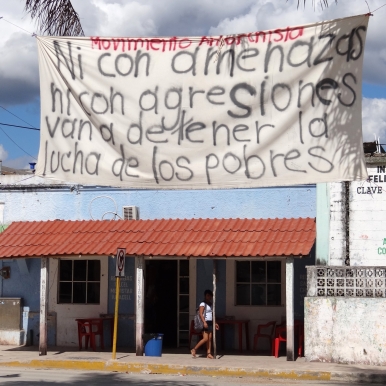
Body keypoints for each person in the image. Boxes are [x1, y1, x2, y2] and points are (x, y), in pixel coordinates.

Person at [191, 289, 219, 359]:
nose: (209, 297)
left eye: (210, 296)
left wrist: (215, 323)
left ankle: (208, 353)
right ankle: (194, 349)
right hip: (205, 322)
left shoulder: (211, 304)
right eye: (208, 295)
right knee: (205, 338)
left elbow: (212, 314)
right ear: (205, 296)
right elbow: (200, 313)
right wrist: (204, 322)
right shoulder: (202, 304)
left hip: (210, 322)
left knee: (209, 338)